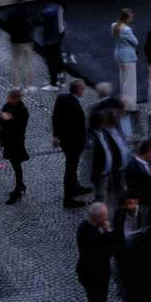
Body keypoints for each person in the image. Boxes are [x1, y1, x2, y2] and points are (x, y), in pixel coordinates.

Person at [76, 202, 115, 302]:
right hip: (96, 276)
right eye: (104, 217)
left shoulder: (84, 227)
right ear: (98, 218)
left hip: (87, 272)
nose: (107, 219)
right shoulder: (95, 235)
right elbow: (108, 250)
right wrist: (108, 231)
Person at [53, 79, 92, 208]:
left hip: (65, 140)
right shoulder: (74, 106)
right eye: (83, 89)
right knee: (71, 168)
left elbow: (55, 117)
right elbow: (80, 127)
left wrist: (55, 135)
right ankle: (68, 198)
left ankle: (75, 188)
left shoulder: (61, 98)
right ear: (78, 90)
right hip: (73, 142)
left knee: (71, 167)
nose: (84, 91)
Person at [0, 88, 30, 204]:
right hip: (7, 141)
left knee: (17, 166)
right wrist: (1, 117)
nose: (8, 100)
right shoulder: (7, 106)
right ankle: (20, 186)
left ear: (16, 99)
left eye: (10, 98)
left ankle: (18, 188)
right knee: (15, 165)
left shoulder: (22, 110)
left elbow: (20, 127)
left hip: (16, 143)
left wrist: (10, 119)